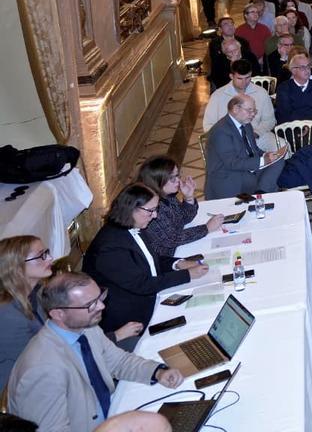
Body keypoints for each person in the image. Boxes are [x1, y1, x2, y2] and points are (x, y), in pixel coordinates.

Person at [7, 272, 185, 432]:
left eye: (100, 298)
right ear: (58, 314)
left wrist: (158, 372)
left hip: (110, 415)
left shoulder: (86, 328)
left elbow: (119, 362)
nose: (101, 306)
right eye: (90, 305)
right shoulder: (42, 369)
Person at [81, 184, 209, 335]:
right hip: (130, 316)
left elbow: (150, 260)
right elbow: (142, 284)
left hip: (148, 296)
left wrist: (179, 263)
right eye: (151, 211)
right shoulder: (110, 248)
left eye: (156, 209)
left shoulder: (133, 226)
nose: (155, 216)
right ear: (131, 209)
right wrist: (187, 275)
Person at [204, 93, 288, 199]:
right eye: (250, 110)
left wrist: (267, 154)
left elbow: (254, 150)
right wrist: (263, 161)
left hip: (246, 168)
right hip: (229, 175)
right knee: (269, 182)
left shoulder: (246, 124)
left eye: (254, 111)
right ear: (235, 109)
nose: (253, 114)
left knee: (279, 161)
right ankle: (263, 193)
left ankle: (262, 192)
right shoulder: (220, 131)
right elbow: (232, 163)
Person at [0, 236, 57, 390]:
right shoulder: (7, 314)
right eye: (41, 255)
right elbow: (28, 365)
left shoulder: (34, 295)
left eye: (47, 252)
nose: (51, 258)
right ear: (16, 266)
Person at [136, 156, 223, 258]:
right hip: (166, 258)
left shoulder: (167, 195)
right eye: (172, 178)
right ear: (158, 182)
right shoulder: (150, 208)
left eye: (177, 175)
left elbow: (183, 218)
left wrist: (188, 197)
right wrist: (206, 228)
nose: (178, 181)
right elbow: (172, 238)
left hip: (178, 248)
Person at [202, 59, 278, 152]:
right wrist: (226, 137)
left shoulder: (261, 93)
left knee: (280, 146)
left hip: (257, 136)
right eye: (239, 78)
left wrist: (256, 133)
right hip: (229, 140)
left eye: (248, 77)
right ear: (231, 76)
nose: (244, 82)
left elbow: (269, 120)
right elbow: (208, 125)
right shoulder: (218, 95)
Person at [275, 52, 312, 122]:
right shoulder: (284, 88)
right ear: (293, 71)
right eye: (302, 67)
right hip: (292, 127)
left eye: (308, 66)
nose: (307, 70)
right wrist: (301, 126)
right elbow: (284, 114)